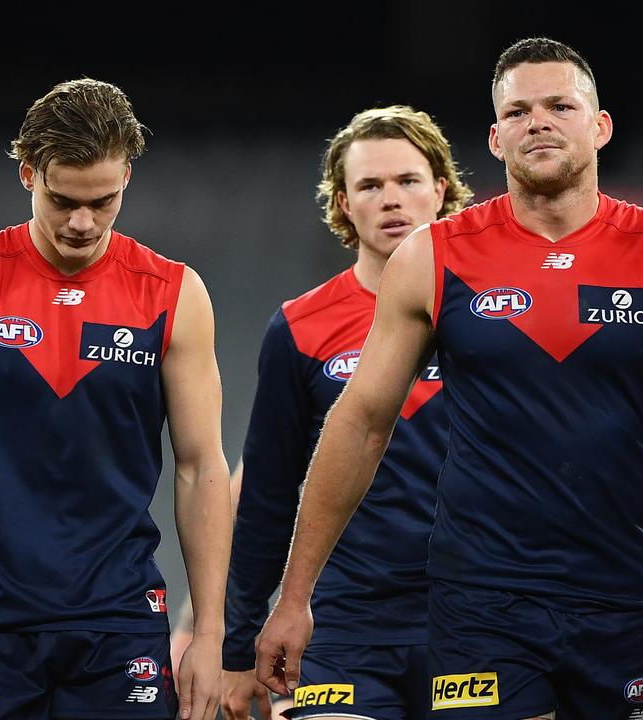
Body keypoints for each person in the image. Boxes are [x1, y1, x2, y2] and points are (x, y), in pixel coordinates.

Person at [255, 37, 643, 720]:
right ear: (496, 138)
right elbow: (360, 422)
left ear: (601, 125)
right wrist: (295, 597)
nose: (540, 122)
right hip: (482, 597)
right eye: (520, 111)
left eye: (561, 105)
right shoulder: (434, 257)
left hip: (623, 596)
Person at [0, 79, 232, 720]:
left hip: (120, 621)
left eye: (104, 202)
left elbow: (200, 466)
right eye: (62, 200)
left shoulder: (173, 294)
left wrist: (211, 631)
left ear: (127, 176)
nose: (82, 223)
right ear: (28, 174)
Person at [219, 105, 471, 720]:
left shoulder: (492, 317)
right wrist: (235, 639)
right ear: (342, 203)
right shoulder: (302, 328)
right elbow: (267, 494)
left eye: (409, 181)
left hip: (478, 618)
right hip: (345, 624)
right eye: (370, 185)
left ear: (440, 190)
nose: (391, 199)